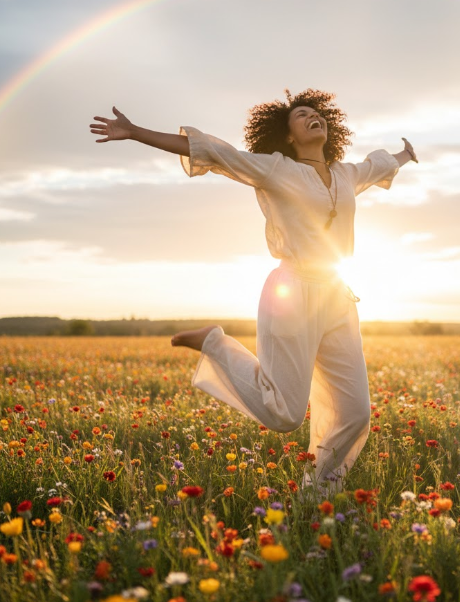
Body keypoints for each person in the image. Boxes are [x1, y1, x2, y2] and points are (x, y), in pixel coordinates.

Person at [90, 88, 418, 498]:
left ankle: (315, 500)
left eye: (316, 112)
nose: (312, 116)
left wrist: (406, 155)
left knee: (354, 413)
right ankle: (215, 343)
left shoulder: (346, 175)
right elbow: (214, 150)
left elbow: (377, 165)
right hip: (293, 293)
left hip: (338, 295)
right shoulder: (277, 169)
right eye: (301, 115)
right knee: (284, 414)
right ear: (289, 136)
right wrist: (137, 132)